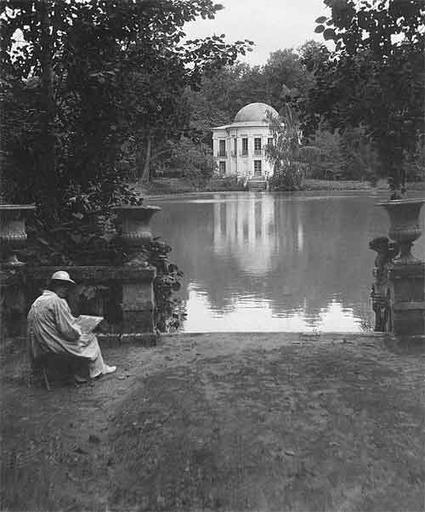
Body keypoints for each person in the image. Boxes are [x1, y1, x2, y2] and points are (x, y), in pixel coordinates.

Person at [27, 270, 116, 382]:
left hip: (39, 345)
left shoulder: (38, 301)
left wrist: (74, 324)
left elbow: (56, 323)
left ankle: (80, 372)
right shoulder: (57, 301)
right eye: (63, 286)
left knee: (81, 334)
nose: (66, 290)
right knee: (91, 337)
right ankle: (97, 371)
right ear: (55, 286)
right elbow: (68, 331)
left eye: (66, 286)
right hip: (53, 344)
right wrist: (80, 329)